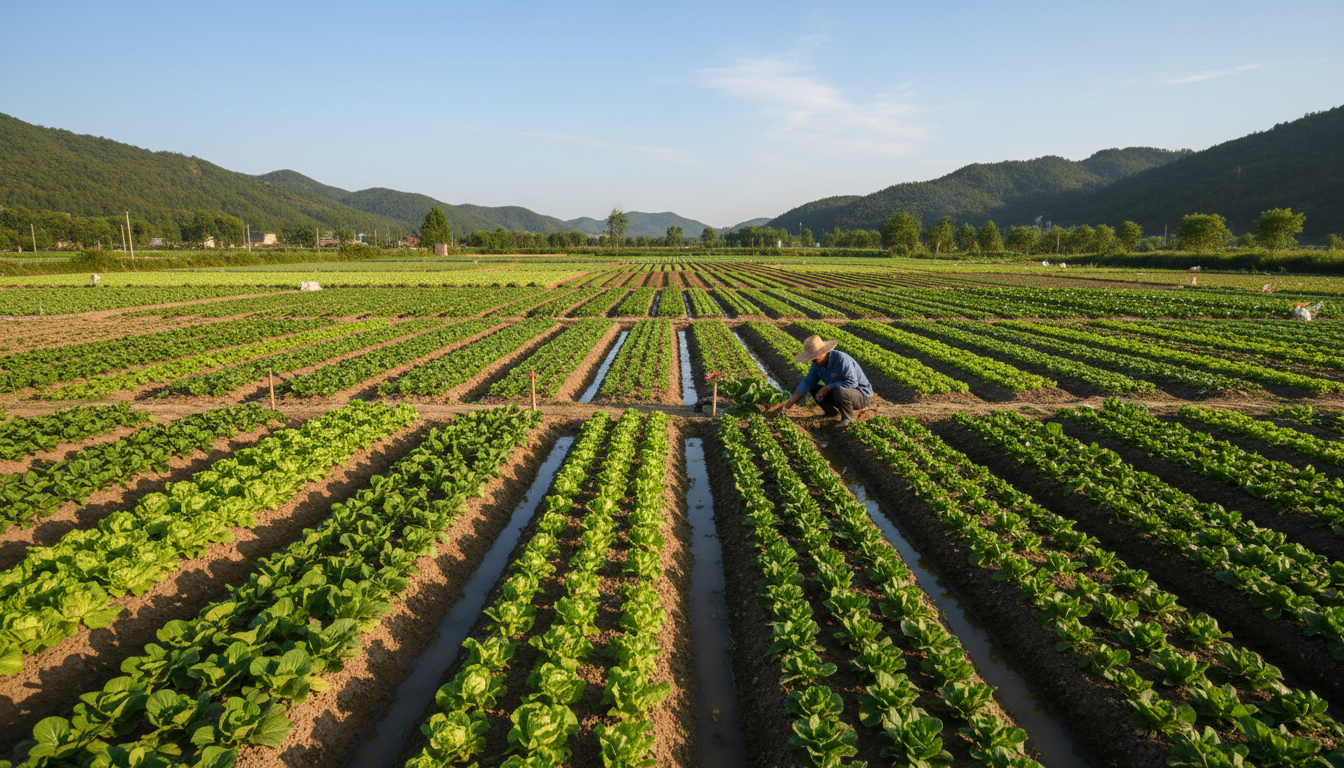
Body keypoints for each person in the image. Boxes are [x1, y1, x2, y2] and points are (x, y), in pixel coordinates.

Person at [766, 334, 873, 422]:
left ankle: (847, 420)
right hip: (839, 393)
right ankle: (831, 413)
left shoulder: (841, 359)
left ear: (825, 352)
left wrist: (827, 387)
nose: (813, 361)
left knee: (839, 390)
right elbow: (808, 382)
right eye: (812, 359)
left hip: (859, 396)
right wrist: (792, 400)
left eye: (815, 358)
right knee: (813, 388)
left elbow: (852, 383)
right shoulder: (817, 364)